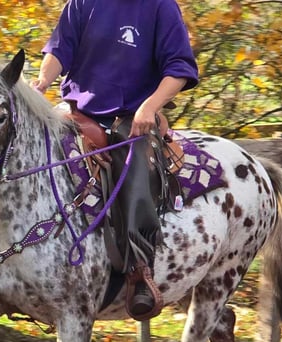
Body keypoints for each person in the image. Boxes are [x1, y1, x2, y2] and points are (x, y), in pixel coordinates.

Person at [31, 0, 199, 320]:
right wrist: (41, 83)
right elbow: (60, 49)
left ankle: (138, 270)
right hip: (77, 110)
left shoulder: (160, 7)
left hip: (131, 116)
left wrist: (150, 106)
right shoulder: (82, 3)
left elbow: (179, 67)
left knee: (133, 171)